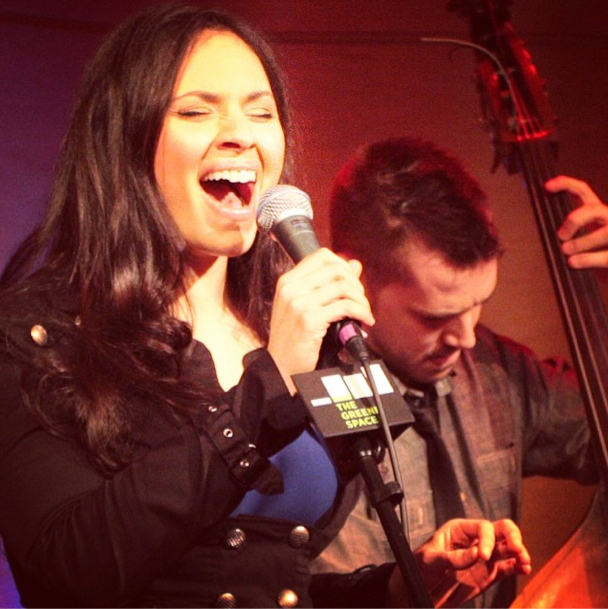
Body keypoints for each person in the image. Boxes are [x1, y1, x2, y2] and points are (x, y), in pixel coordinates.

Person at [0, 5, 532, 608]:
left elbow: (268, 582)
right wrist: (268, 385)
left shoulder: (287, 331)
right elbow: (71, 566)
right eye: (197, 111)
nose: (241, 135)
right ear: (124, 141)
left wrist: (394, 590)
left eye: (261, 112)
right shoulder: (37, 336)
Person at [313, 136, 604, 607]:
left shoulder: (497, 367)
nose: (466, 338)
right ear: (354, 280)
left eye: (477, 305)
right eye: (435, 317)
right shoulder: (301, 400)